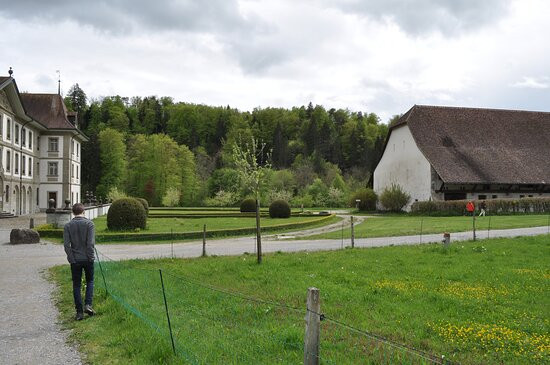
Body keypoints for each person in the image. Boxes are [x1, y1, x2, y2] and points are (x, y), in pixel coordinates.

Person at [64, 203, 96, 320]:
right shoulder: (90, 224)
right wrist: (91, 257)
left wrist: (71, 258)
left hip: (75, 260)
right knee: (90, 281)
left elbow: (66, 245)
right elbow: (90, 243)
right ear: (84, 212)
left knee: (76, 285)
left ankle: (79, 312)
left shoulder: (68, 226)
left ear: (73, 212)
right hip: (87, 258)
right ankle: (88, 304)